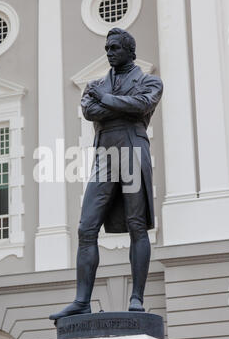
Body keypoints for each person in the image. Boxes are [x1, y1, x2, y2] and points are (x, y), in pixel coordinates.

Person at [49, 28, 163, 320]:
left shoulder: (149, 81)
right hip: (105, 156)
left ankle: (136, 297)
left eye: (114, 48)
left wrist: (106, 99)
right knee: (86, 228)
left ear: (130, 51)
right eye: (107, 48)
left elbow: (142, 105)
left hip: (132, 151)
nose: (109, 52)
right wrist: (116, 104)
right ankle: (82, 300)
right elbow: (90, 111)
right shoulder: (96, 84)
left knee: (137, 225)